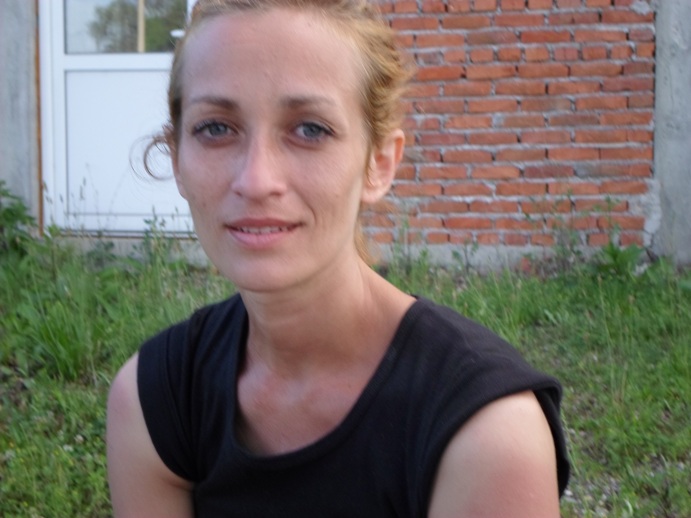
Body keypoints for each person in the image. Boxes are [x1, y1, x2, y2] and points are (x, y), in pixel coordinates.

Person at [106, 0, 570, 516]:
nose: (256, 180)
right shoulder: (156, 400)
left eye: (310, 129)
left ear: (379, 164)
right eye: (216, 128)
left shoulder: (487, 432)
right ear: (177, 158)